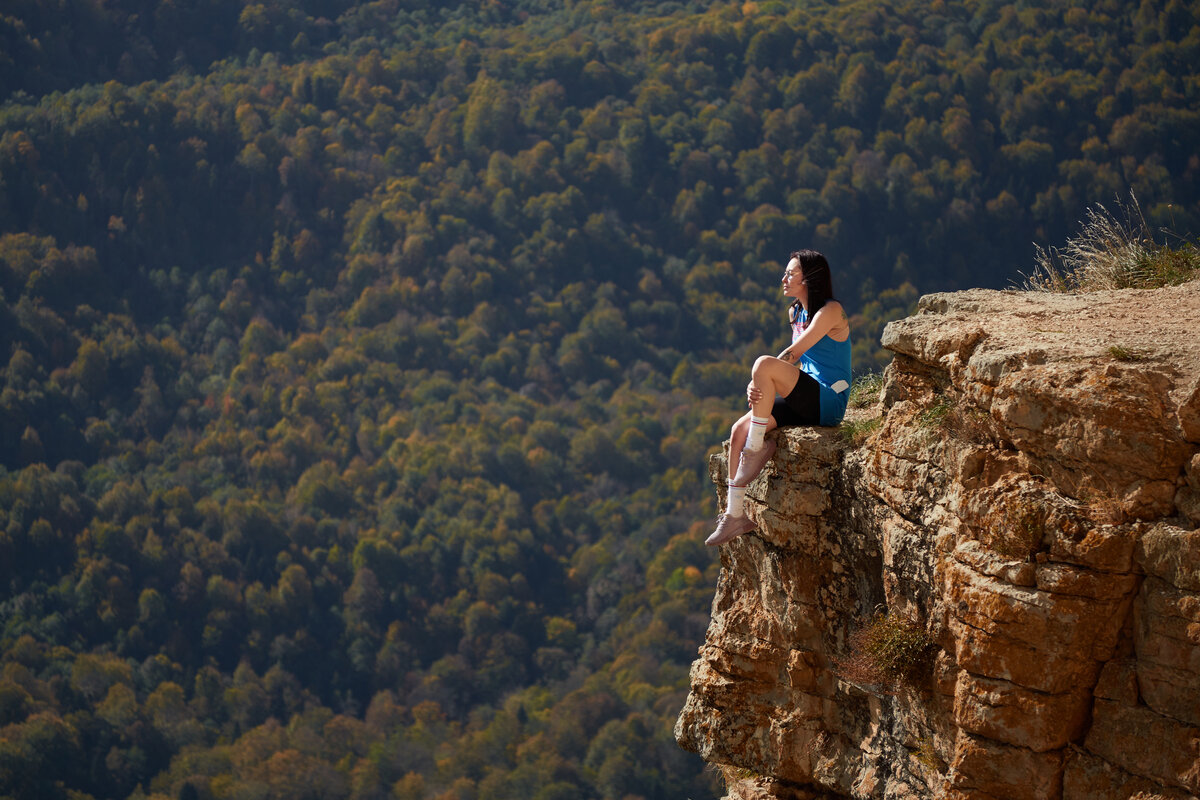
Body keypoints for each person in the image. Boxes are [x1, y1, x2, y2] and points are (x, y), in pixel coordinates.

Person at [706, 249, 852, 546]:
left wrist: (761, 375)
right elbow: (795, 365)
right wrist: (762, 383)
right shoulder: (795, 312)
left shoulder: (830, 311)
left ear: (808, 278)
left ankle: (757, 448)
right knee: (737, 432)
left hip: (828, 401)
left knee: (763, 364)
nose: (783, 278)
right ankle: (734, 516)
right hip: (807, 394)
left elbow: (794, 354)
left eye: (790, 273)